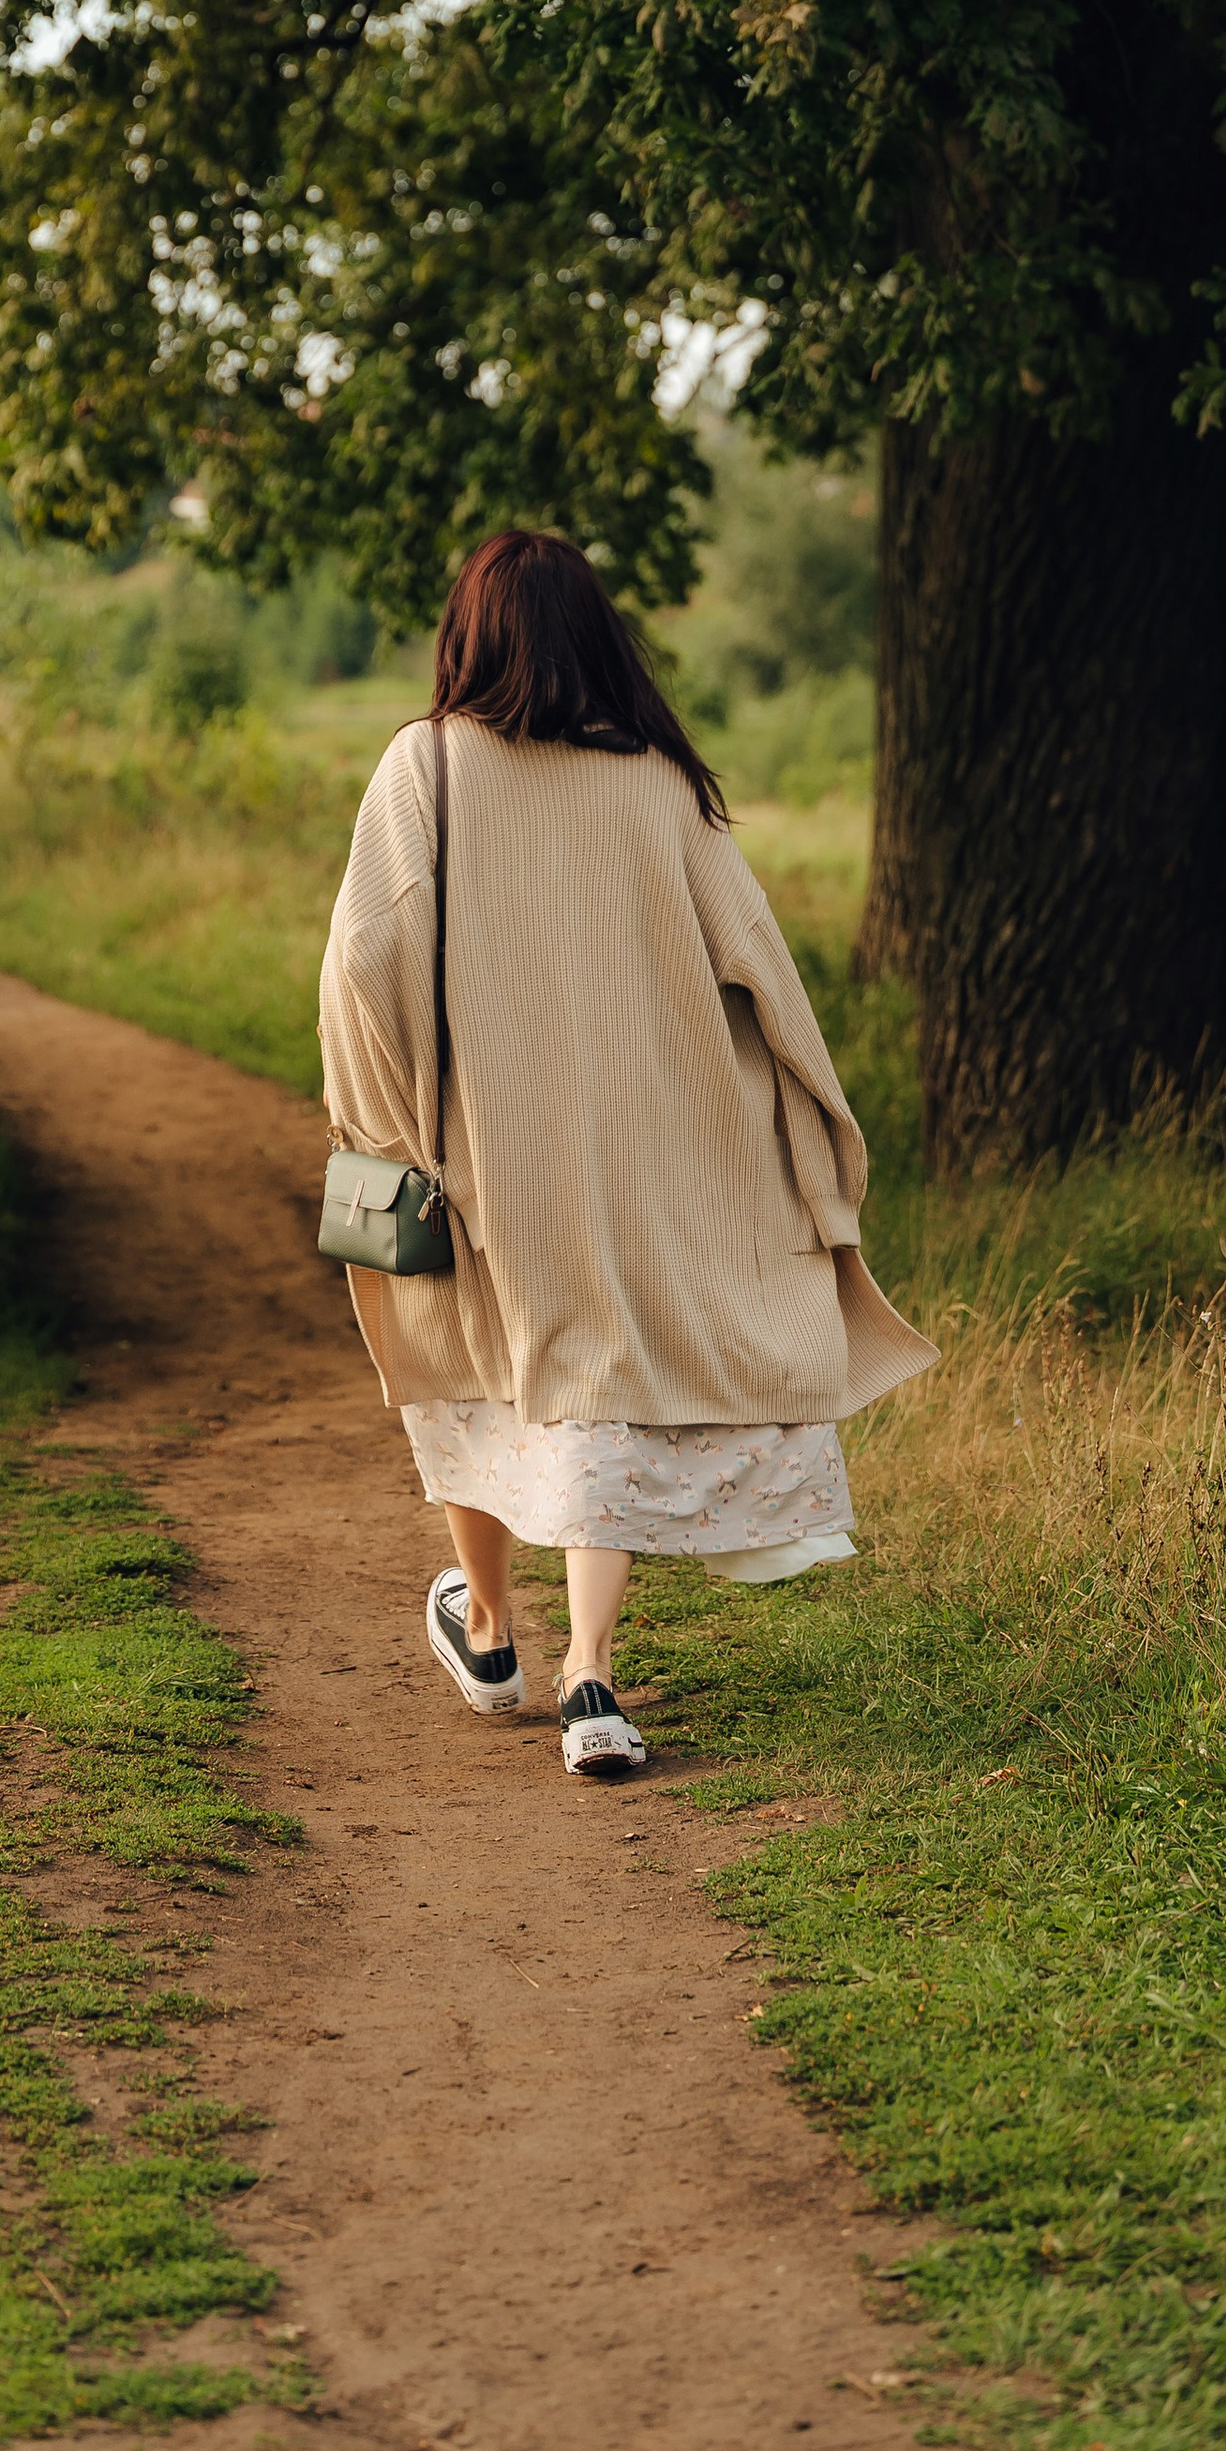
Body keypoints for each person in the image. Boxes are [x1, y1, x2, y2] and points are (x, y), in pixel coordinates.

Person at [318, 526, 936, 1782]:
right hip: (649, 1154)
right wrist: (814, 1134)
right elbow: (761, 969)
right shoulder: (664, 783)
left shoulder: (424, 764)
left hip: (483, 1150)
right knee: (601, 1381)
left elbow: (362, 965)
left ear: (466, 636)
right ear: (600, 639)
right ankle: (589, 1676)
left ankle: (491, 1632)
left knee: (473, 1374)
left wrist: (383, 1126)